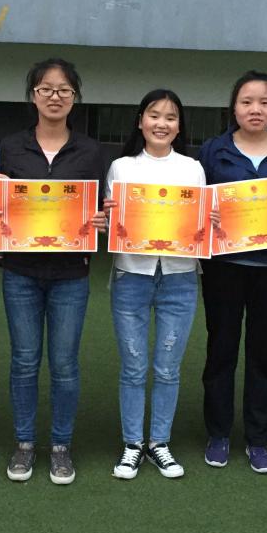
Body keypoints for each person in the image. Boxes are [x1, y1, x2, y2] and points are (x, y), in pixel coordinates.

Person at [0, 59, 106, 485]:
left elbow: (99, 209)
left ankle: (60, 446)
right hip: (21, 271)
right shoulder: (11, 146)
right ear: (33, 95)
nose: (55, 96)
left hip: (71, 274)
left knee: (65, 364)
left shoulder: (91, 151)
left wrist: (100, 220)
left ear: (75, 97)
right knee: (24, 361)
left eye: (64, 89)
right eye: (46, 89)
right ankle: (24, 443)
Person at [197, 71, 267, 473]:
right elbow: (197, 205)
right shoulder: (213, 151)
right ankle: (219, 433)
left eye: (264, 102)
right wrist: (205, 213)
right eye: (246, 102)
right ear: (234, 107)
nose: (255, 109)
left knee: (264, 355)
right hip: (224, 267)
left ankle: (258, 439)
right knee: (221, 351)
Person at [105, 89, 205, 480]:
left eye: (170, 117)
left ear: (179, 127)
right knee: (133, 367)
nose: (161, 123)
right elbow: (112, 224)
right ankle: (133, 444)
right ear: (140, 121)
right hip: (131, 274)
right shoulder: (121, 167)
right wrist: (108, 218)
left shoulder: (193, 169)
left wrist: (208, 222)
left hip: (180, 276)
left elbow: (200, 222)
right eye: (154, 115)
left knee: (167, 368)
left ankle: (159, 443)